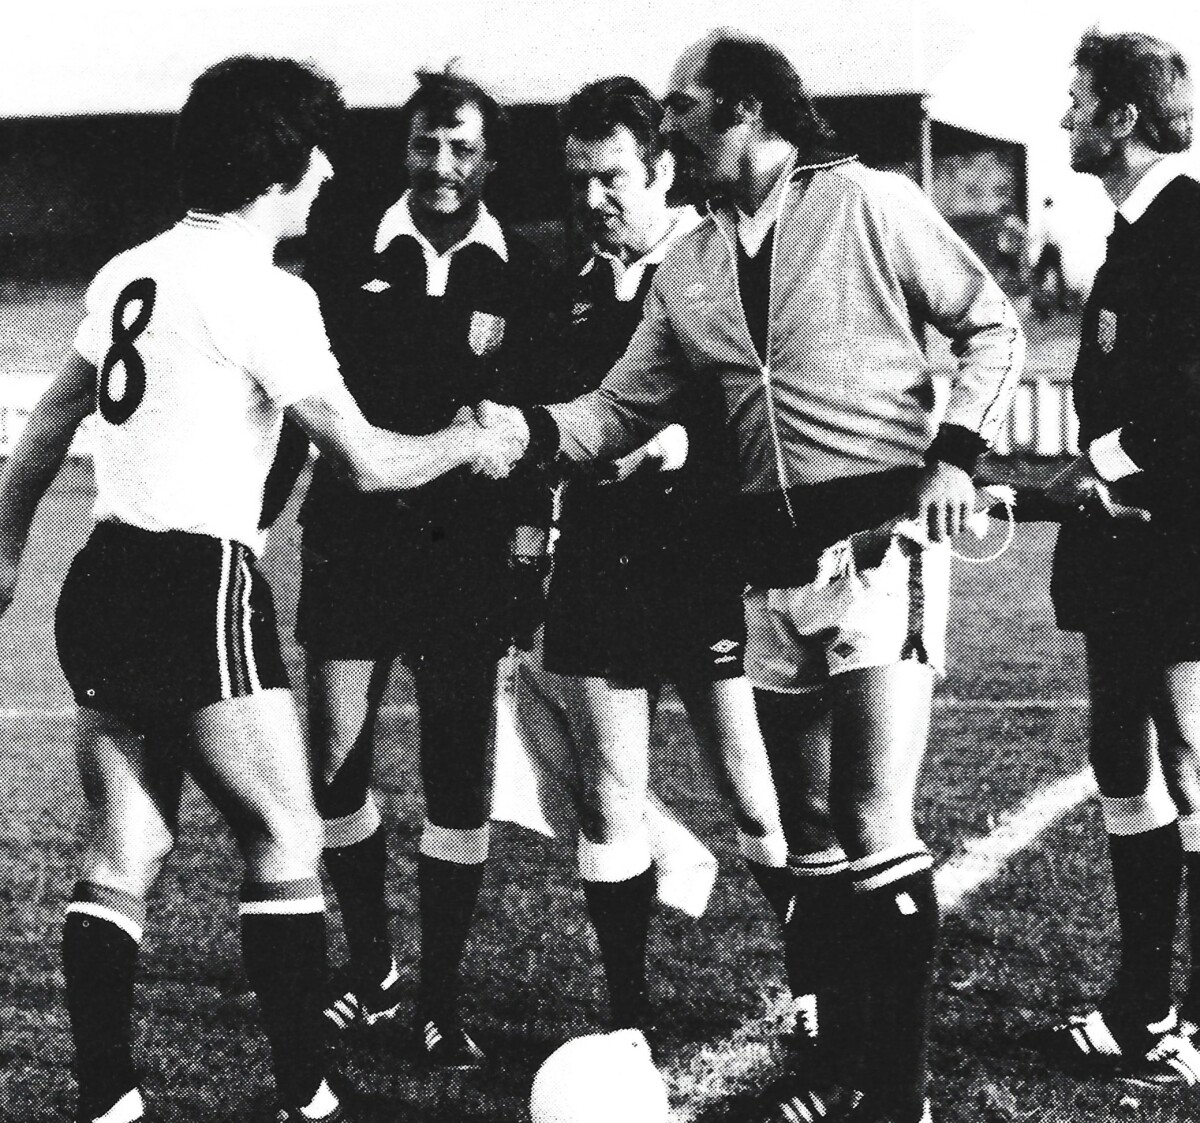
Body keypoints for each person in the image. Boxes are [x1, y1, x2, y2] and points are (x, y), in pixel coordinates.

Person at [482, 29, 1024, 1123]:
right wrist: (520, 432)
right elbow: (615, 409)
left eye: (681, 107)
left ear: (743, 109)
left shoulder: (868, 202)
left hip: (879, 548)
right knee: (809, 831)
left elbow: (990, 326)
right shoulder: (690, 264)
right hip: (764, 569)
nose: (670, 126)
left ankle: (898, 1101)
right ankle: (834, 1068)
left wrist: (954, 458)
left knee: (873, 819)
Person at [0, 57, 523, 1123]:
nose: (331, 174)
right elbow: (365, 461)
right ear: (282, 163)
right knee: (287, 834)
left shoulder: (131, 270)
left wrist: (6, 553)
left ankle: (108, 1100)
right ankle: (310, 1097)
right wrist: (472, 440)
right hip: (198, 580)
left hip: (100, 577)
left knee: (127, 844)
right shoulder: (269, 293)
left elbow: (49, 421)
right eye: (320, 154)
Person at [294, 69, 553, 1066]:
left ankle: (439, 998)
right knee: (334, 763)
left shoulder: (524, 269)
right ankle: (372, 966)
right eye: (423, 144)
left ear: (490, 161)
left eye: (460, 148)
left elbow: (530, 429)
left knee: (456, 773)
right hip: (353, 534)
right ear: (404, 149)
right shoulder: (345, 248)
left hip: (466, 551)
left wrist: (527, 550)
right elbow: (302, 401)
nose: (439, 165)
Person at [536, 76, 789, 1032]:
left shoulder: (718, 266)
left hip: (706, 563)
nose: (592, 198)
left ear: (663, 171)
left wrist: (681, 444)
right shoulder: (570, 287)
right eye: (578, 180)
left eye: (612, 177)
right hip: (599, 561)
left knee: (756, 797)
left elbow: (768, 412)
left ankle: (815, 989)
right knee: (610, 800)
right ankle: (629, 1020)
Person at [1025, 30, 1200, 1088]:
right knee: (1123, 760)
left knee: (1189, 761)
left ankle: (1181, 1024)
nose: (1065, 117)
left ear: (1123, 117)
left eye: (1078, 99)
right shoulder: (1135, 232)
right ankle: (1144, 1006)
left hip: (1177, 542)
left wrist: (1097, 463)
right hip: (1124, 545)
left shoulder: (1189, 225)